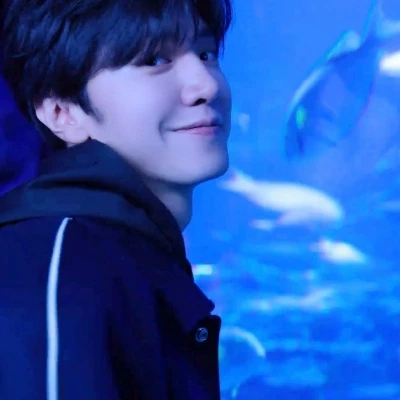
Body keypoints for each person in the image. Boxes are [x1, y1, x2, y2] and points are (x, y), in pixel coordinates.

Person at [0, 0, 233, 399]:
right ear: (62, 112)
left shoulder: (123, 250)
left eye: (206, 53)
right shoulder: (59, 270)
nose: (207, 85)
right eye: (155, 60)